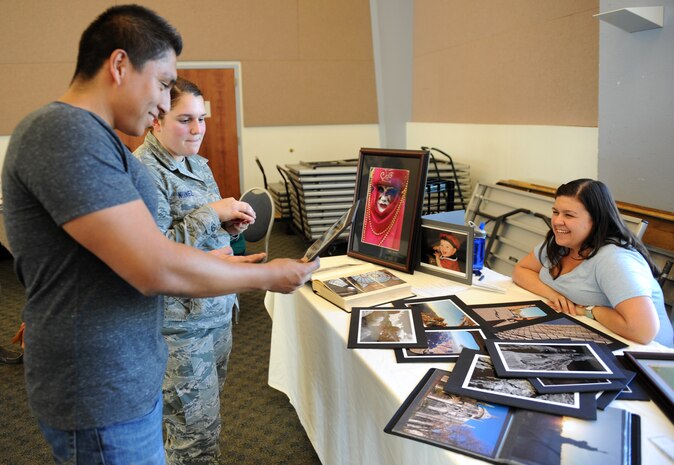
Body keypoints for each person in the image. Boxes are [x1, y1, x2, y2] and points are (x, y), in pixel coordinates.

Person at [1, 5, 318, 464]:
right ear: (119, 65)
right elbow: (152, 265)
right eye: (165, 83)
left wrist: (223, 260)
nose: (167, 103)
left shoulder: (100, 140)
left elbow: (143, 252)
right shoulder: (63, 132)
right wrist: (267, 277)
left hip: (128, 369)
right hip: (100, 387)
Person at [134, 77, 256, 464]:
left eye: (201, 119)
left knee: (203, 423)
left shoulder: (193, 163)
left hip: (215, 310)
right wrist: (212, 213)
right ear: (156, 120)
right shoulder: (144, 172)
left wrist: (227, 224)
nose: (198, 129)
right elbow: (152, 253)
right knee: (193, 436)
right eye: (185, 119)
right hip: (180, 326)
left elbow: (198, 232)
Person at [512, 179, 672, 347]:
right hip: (589, 333)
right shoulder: (561, 242)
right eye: (555, 212)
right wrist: (554, 295)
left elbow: (642, 332)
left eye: (569, 215)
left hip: (645, 354)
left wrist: (589, 310)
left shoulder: (615, 259)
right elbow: (521, 270)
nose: (557, 221)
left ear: (595, 220)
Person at [361, 167, 409, 250]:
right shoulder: (363, 212)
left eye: (391, 191)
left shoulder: (404, 217)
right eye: (380, 189)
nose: (383, 198)